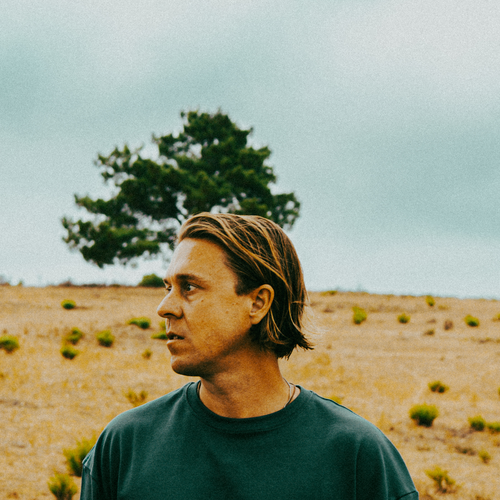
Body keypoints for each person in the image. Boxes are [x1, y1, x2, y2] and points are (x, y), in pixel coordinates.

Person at [81, 212, 418, 500]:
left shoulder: (357, 457)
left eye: (190, 287)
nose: (165, 307)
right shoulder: (125, 446)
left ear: (258, 302)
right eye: (168, 287)